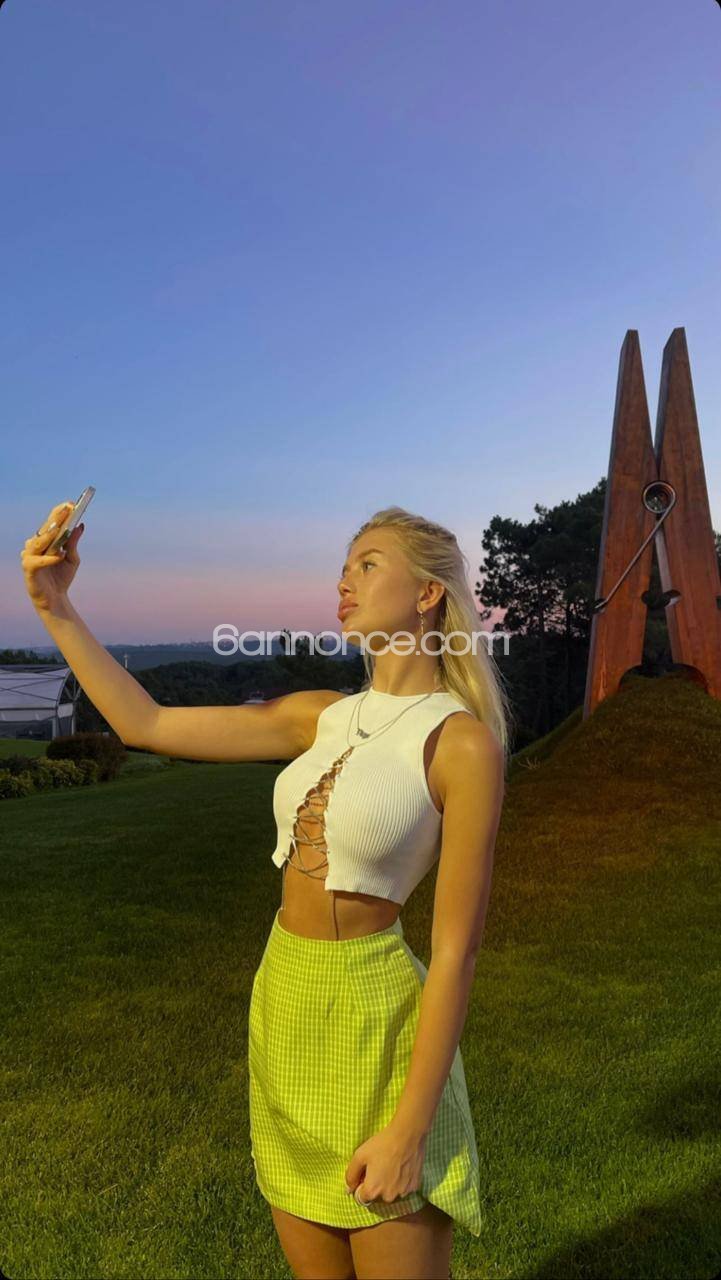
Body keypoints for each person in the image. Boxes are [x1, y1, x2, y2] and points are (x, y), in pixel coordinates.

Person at [21, 501, 509, 1280]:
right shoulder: (319, 715)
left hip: (375, 1021)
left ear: (427, 594)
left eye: (368, 565)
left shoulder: (461, 744)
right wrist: (55, 606)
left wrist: (409, 1130)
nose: (343, 582)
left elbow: (456, 952)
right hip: (283, 1000)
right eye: (343, 568)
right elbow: (146, 723)